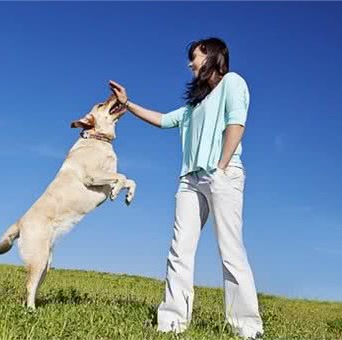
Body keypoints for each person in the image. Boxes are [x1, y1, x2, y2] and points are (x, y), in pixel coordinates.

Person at [109, 37, 264, 340]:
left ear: (211, 56)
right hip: (189, 181)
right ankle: (172, 322)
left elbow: (236, 123)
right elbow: (164, 120)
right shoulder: (193, 106)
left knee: (230, 249)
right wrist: (127, 103)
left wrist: (220, 167)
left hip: (223, 174)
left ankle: (247, 328)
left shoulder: (232, 82)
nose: (189, 63)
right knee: (179, 250)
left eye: (194, 57)